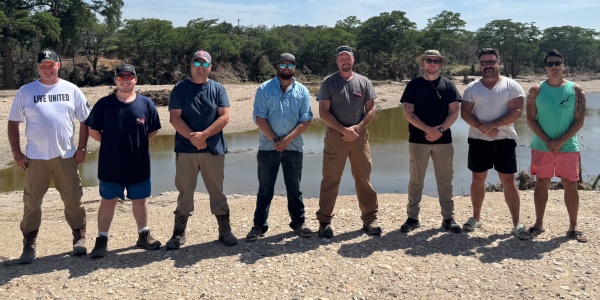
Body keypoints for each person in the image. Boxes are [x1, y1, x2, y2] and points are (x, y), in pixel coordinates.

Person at [8, 49, 90, 264]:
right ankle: (29, 245)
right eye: (43, 65)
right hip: (36, 159)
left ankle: (79, 239)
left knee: (73, 199)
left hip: (66, 156)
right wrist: (16, 152)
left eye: (51, 64)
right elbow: (13, 122)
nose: (47, 68)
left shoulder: (71, 90)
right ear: (38, 67)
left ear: (58, 65)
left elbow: (85, 121)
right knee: (32, 203)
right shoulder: (26, 91)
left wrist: (81, 148)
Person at [85, 64, 163, 258]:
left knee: (140, 200)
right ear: (116, 80)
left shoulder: (146, 104)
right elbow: (92, 129)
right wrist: (111, 143)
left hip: (138, 163)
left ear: (135, 79)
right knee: (108, 201)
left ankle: (143, 234)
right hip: (111, 164)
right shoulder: (104, 104)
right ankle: (101, 239)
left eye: (129, 76)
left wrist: (135, 143)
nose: (125, 80)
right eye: (121, 77)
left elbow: (153, 130)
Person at [166, 50, 238, 249]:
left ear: (210, 67)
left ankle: (225, 231)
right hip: (186, 150)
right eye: (197, 63)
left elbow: (224, 117)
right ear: (190, 66)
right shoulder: (180, 89)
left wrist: (204, 136)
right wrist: (194, 138)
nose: (200, 67)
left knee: (217, 191)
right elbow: (174, 118)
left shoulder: (218, 89)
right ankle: (178, 234)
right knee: (185, 193)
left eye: (204, 64)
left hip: (213, 149)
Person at [461, 48, 530, 240]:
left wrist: (493, 125)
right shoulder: (472, 88)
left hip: (505, 140)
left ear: (498, 62)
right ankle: (476, 217)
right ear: (480, 65)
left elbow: (517, 111)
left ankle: (516, 223)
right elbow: (465, 113)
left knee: (508, 181)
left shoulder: (512, 85)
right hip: (478, 140)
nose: (488, 66)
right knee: (477, 179)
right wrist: (483, 128)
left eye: (491, 61)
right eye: (484, 63)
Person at [246, 53, 313, 242]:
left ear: (294, 68)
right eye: (283, 65)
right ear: (277, 66)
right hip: (268, 148)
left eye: (290, 66)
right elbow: (259, 118)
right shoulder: (264, 89)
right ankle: (259, 226)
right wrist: (276, 140)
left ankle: (299, 223)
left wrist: (287, 139)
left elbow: (306, 120)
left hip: (293, 147)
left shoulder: (302, 91)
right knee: (265, 188)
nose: (286, 68)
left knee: (294, 188)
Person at [315, 45, 381, 238]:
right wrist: (343, 130)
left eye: (348, 58)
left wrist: (357, 129)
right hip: (336, 136)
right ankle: (324, 222)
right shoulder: (329, 83)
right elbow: (323, 112)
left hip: (359, 137)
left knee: (364, 178)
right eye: (341, 58)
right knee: (330, 179)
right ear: (337, 61)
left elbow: (371, 109)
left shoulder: (364, 82)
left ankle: (370, 219)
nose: (345, 61)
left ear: (353, 60)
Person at [526, 49, 587, 242]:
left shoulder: (576, 90)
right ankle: (538, 224)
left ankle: (573, 226)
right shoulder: (536, 90)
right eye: (550, 64)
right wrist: (547, 140)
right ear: (545, 68)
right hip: (541, 146)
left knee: (570, 184)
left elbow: (579, 121)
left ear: (563, 66)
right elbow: (530, 119)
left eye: (557, 63)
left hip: (568, 147)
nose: (554, 67)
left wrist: (560, 141)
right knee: (542, 183)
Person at [399, 50, 462, 233]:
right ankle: (412, 218)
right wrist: (429, 130)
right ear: (422, 63)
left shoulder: (449, 85)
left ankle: (448, 218)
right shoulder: (413, 86)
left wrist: (440, 130)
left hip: (444, 141)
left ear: (440, 64)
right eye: (429, 61)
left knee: (445, 180)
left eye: (436, 61)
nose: (432, 64)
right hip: (418, 141)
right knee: (416, 180)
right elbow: (409, 113)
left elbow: (454, 112)